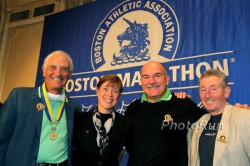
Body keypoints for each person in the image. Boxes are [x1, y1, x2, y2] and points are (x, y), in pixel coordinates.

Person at [0, 50, 81, 166]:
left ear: (70, 74)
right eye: (53, 67)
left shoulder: (74, 108)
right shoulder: (19, 97)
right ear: (44, 70)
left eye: (64, 69)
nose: (58, 73)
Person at [124, 61, 207, 166]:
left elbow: (213, 119)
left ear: (167, 79)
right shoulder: (132, 109)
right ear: (141, 81)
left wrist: (232, 111)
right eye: (146, 77)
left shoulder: (182, 104)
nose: (152, 81)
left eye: (157, 75)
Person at [188, 69, 250, 166]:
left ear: (226, 92)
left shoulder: (245, 118)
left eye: (213, 89)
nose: (207, 95)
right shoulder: (197, 124)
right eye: (203, 90)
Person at [72, 74, 132, 166]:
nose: (109, 94)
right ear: (97, 90)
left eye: (115, 91)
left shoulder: (126, 123)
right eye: (105, 89)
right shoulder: (79, 119)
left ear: (119, 95)